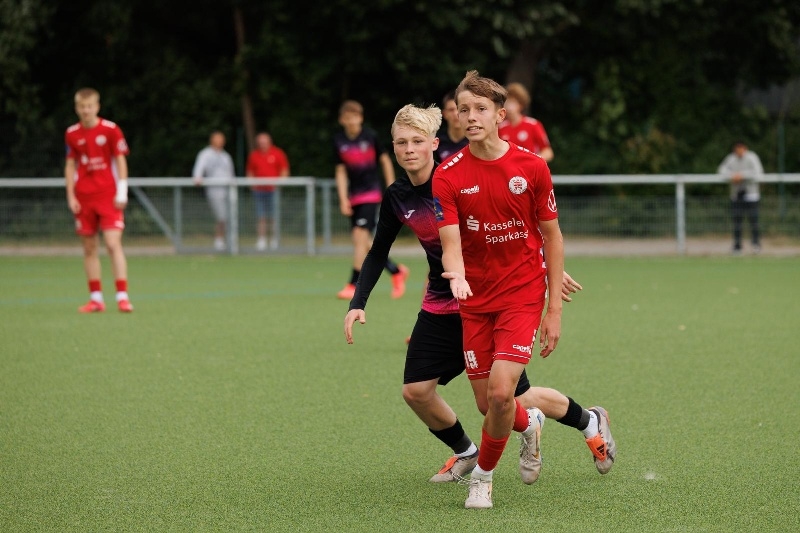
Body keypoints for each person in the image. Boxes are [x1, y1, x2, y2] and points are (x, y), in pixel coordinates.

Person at [344, 103, 615, 502]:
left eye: (417, 141)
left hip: (490, 301)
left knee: (506, 401)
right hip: (441, 305)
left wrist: (545, 270)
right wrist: (359, 300)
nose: (409, 149)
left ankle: (588, 421)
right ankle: (467, 452)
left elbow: (511, 229)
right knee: (416, 392)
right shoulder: (398, 196)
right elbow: (377, 250)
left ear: (434, 144)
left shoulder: (458, 179)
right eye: (401, 143)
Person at [433, 71, 615, 509]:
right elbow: (450, 244)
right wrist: (456, 275)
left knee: (501, 393)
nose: (470, 116)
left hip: (522, 294)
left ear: (501, 115)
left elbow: (552, 237)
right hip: (475, 301)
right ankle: (569, 420)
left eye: (481, 109)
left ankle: (483, 477)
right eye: (464, 109)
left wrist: (554, 310)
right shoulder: (448, 174)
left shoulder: (531, 167)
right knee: (489, 405)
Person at [64, 87, 134, 313]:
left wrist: (122, 190)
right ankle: (96, 299)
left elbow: (120, 160)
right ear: (77, 108)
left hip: (108, 196)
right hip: (84, 197)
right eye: (82, 107)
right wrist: (71, 195)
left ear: (97, 107)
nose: (86, 110)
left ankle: (122, 297)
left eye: (89, 106)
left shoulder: (111, 130)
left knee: (113, 244)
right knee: (89, 248)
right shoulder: (71, 133)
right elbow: (70, 165)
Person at [333, 99, 408, 300]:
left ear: (361, 118)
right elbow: (340, 171)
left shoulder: (370, 136)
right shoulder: (339, 141)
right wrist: (343, 198)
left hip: (371, 194)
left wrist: (391, 187)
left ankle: (353, 284)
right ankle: (396, 271)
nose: (351, 121)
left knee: (359, 236)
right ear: (342, 120)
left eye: (355, 116)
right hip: (354, 197)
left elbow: (385, 160)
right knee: (363, 242)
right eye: (347, 117)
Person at [246, 132, 290, 251]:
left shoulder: (277, 153)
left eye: (264, 142)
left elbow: (284, 170)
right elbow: (250, 172)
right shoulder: (254, 155)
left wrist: (280, 184)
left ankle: (274, 239)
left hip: (273, 191)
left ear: (269, 142)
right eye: (260, 142)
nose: (263, 144)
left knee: (274, 216)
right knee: (261, 216)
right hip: (259, 191)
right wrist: (252, 185)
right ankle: (262, 239)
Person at [717, 141, 763, 254]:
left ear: (744, 149)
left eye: (740, 149)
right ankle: (737, 246)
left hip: (751, 195)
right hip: (736, 195)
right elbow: (721, 170)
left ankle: (756, 245)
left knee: (754, 221)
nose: (738, 152)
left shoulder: (752, 157)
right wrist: (732, 176)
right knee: (737, 222)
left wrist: (742, 176)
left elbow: (758, 172)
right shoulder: (731, 158)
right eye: (736, 150)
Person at [193, 131, 235, 251]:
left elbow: (231, 173)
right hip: (214, 191)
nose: (220, 142)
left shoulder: (225, 156)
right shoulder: (205, 154)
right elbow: (199, 169)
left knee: (230, 216)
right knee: (222, 216)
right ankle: (219, 240)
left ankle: (230, 240)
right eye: (217, 139)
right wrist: (197, 177)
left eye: (221, 139)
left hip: (228, 190)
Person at [498, 82, 553, 162]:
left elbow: (548, 152)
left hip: (529, 168)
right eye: (507, 102)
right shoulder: (500, 127)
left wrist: (531, 162)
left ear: (521, 105)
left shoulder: (533, 124)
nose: (509, 107)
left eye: (513, 102)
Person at [435, 90, 468, 163]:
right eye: (451, 110)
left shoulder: (476, 140)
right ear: (444, 114)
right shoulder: (437, 141)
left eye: (460, 109)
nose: (456, 113)